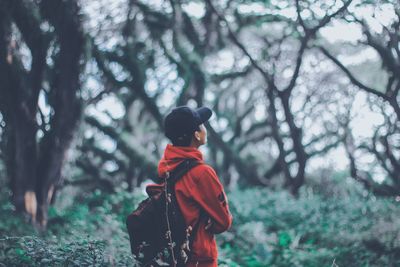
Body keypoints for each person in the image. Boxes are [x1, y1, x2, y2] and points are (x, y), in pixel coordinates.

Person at [146, 106, 233, 267]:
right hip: (199, 259)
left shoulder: (166, 168)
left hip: (173, 256)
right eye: (202, 124)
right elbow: (224, 222)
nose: (205, 128)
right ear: (197, 134)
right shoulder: (202, 173)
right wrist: (210, 221)